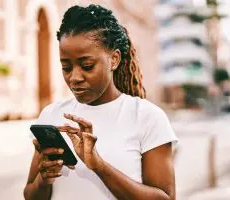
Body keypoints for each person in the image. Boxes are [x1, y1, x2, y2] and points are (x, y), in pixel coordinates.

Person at [24, 4, 178, 200]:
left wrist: (99, 166)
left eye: (87, 66)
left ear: (113, 59)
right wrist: (43, 180)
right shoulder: (51, 115)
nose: (74, 77)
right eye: (66, 67)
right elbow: (30, 195)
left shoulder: (146, 117)